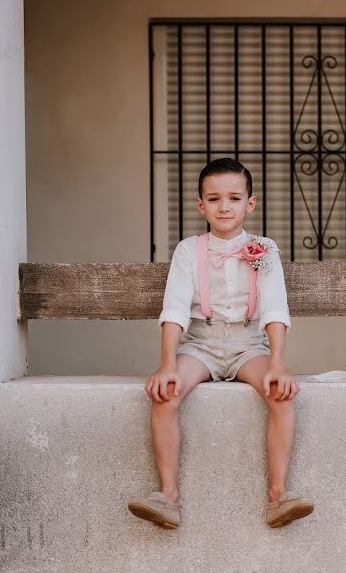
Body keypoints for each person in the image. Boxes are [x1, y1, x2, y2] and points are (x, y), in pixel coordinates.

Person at [127, 158, 313, 529]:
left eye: (233, 198)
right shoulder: (188, 250)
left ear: (250, 203)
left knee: (281, 393)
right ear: (201, 205)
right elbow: (175, 310)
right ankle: (167, 497)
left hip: (249, 343)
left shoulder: (265, 249)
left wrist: (277, 362)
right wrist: (167, 364)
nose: (224, 206)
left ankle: (279, 497)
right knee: (166, 393)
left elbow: (275, 306)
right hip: (201, 343)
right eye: (213, 199)